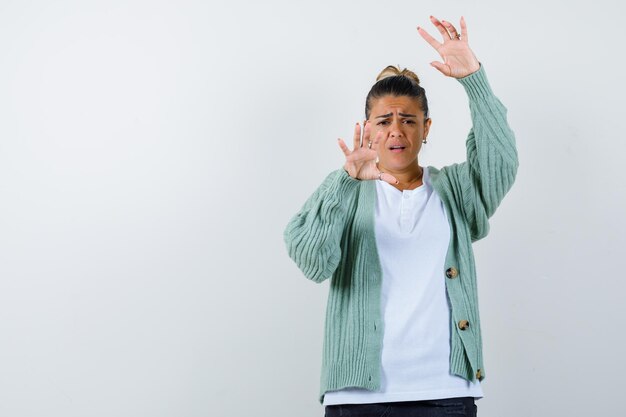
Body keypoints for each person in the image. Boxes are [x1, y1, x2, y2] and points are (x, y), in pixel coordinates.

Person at [284, 15, 518, 417]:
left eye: (408, 120)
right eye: (385, 121)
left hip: (445, 391)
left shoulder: (455, 190)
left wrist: (473, 80)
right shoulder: (345, 191)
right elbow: (311, 260)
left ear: (426, 129)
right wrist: (343, 180)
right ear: (368, 129)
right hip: (358, 398)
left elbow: (501, 164)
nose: (397, 131)